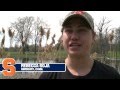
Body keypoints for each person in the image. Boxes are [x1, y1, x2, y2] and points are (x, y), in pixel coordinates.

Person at [39, 11, 120, 79]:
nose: (74, 37)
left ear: (93, 36)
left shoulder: (110, 75)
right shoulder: (50, 73)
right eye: (69, 30)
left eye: (81, 30)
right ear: (61, 37)